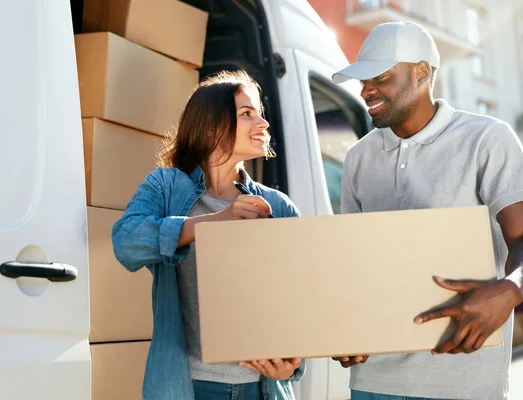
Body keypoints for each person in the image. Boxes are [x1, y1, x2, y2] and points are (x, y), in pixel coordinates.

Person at [331, 21, 523, 400]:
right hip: (373, 383)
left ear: (421, 73)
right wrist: (343, 325)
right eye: (362, 80)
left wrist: (509, 290)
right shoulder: (357, 158)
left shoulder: (487, 139)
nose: (365, 90)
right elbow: (351, 263)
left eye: (380, 78)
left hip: (462, 382)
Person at [111, 70, 305, 400]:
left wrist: (292, 366)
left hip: (263, 389)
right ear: (211, 125)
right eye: (247, 113)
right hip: (189, 386)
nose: (263, 122)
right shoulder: (165, 186)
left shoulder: (277, 206)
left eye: (260, 112)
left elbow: (304, 298)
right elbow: (126, 241)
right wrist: (216, 221)